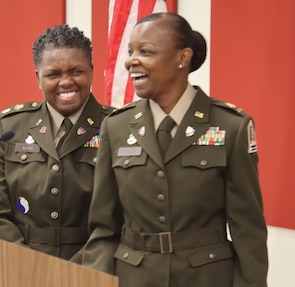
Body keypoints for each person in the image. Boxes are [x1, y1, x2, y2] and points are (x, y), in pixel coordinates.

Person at [81, 12, 268, 287]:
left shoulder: (231, 126)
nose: (131, 60)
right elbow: (103, 228)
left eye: (145, 51)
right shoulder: (116, 127)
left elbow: (248, 230)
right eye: (131, 51)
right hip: (134, 277)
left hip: (206, 278)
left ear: (182, 57)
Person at [0, 24, 114, 260]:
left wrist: (74, 274)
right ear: (38, 78)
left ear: (91, 71)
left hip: (92, 270)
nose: (66, 82)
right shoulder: (10, 126)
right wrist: (31, 269)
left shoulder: (116, 127)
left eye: (76, 71)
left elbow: (119, 220)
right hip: (19, 268)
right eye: (54, 74)